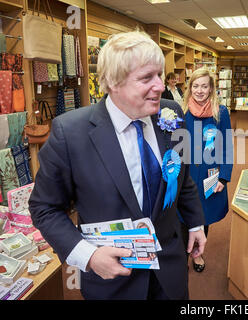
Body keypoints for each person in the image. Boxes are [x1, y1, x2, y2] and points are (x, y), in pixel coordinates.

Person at [28, 30, 206, 300]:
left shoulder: (172, 114)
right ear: (113, 82)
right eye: (147, 78)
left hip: (170, 273)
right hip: (112, 282)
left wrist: (195, 223)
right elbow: (45, 208)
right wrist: (88, 256)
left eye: (159, 74)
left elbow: (184, 177)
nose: (160, 86)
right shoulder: (70, 133)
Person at [181, 68, 233, 272]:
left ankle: (197, 253)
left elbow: (227, 145)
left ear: (211, 88)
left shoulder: (220, 112)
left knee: (203, 217)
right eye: (195, 86)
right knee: (183, 217)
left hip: (209, 175)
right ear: (190, 87)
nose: (200, 90)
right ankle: (183, 255)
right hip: (185, 174)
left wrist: (224, 177)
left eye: (204, 86)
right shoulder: (182, 110)